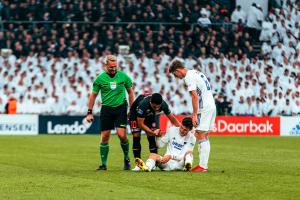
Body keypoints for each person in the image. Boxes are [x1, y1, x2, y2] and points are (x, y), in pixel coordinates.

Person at [86, 55, 135, 170]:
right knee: (105, 137)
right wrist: (89, 112)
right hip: (106, 109)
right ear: (106, 65)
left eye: (115, 66)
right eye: (111, 66)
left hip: (121, 108)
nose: (113, 68)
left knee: (122, 135)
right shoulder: (100, 79)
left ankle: (126, 158)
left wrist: (131, 109)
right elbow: (93, 95)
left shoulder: (123, 76)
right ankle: (103, 164)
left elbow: (131, 93)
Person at [168, 59, 216, 172]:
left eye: (175, 75)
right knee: (204, 135)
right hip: (211, 105)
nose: (177, 77)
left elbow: (195, 96)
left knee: (200, 134)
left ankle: (203, 166)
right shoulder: (196, 72)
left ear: (178, 70)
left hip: (204, 108)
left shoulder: (188, 77)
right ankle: (203, 165)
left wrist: (194, 114)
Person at [129, 93, 181, 171]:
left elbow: (172, 118)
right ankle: (138, 164)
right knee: (136, 135)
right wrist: (152, 132)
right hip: (135, 113)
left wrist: (181, 128)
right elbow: (140, 124)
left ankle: (154, 163)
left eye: (158, 107)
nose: (156, 109)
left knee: (151, 137)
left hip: (149, 114)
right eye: (154, 106)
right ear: (150, 102)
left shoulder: (163, 104)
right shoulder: (143, 104)